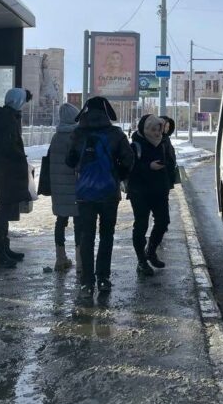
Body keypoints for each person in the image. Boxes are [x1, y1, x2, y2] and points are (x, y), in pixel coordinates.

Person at [66, 97, 134, 297]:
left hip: (85, 194)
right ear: (107, 112)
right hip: (109, 193)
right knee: (107, 236)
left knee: (86, 236)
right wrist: (116, 175)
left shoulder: (78, 133)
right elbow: (129, 159)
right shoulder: (115, 133)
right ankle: (103, 278)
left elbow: (69, 160)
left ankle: (87, 282)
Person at [0, 88, 33, 268]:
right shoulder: (7, 120)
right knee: (3, 210)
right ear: (17, 101)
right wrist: (21, 158)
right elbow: (8, 146)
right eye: (22, 101)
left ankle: (3, 248)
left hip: (6, 171)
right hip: (7, 172)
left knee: (4, 210)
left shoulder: (6, 117)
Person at [128, 115, 177, 276]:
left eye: (159, 130)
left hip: (160, 190)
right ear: (145, 129)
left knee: (163, 222)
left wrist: (168, 170)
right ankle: (141, 260)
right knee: (141, 225)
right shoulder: (135, 145)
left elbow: (170, 162)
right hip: (139, 191)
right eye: (154, 130)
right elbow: (129, 167)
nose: (157, 133)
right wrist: (148, 166)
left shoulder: (163, 143)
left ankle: (151, 250)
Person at [49, 103, 81, 273]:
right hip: (75, 186)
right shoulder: (76, 137)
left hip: (59, 189)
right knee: (78, 223)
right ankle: (80, 261)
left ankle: (60, 258)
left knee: (60, 222)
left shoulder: (56, 137)